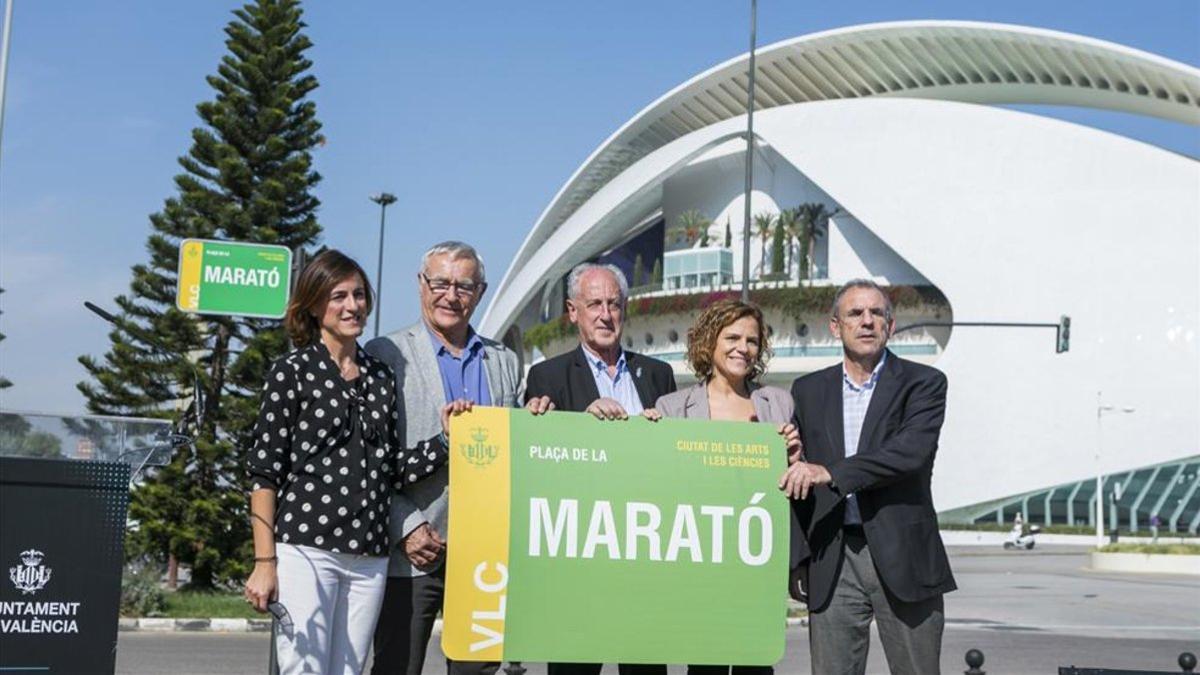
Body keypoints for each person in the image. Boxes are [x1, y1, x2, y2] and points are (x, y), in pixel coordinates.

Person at [244, 249, 470, 675]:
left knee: (348, 670)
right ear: (313, 304)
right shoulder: (291, 372)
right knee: (303, 669)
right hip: (307, 550)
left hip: (369, 556)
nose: (353, 306)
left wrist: (445, 440)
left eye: (360, 295)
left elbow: (388, 470)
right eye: (339, 296)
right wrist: (264, 563)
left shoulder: (380, 376)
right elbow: (263, 473)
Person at [779, 279, 955, 675]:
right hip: (833, 556)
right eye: (855, 313)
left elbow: (909, 454)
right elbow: (798, 479)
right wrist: (798, 558)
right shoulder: (807, 390)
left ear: (891, 327)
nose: (867, 321)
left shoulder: (923, 384)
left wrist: (832, 472)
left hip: (904, 555)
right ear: (835, 326)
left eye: (877, 313)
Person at [365, 241, 523, 675]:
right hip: (413, 549)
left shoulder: (504, 361)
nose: (451, 296)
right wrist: (406, 526)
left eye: (464, 286)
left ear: (482, 292)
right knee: (398, 666)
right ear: (421, 285)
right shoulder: (386, 355)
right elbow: (371, 460)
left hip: (484, 555)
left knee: (477, 671)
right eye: (440, 283)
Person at [523, 262, 675, 675]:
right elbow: (538, 462)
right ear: (573, 312)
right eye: (594, 304)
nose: (605, 314)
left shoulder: (658, 375)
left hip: (643, 554)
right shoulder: (546, 377)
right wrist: (577, 422)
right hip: (580, 558)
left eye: (614, 304)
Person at [643, 299, 804, 675]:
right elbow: (658, 483)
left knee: (755, 667)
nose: (743, 348)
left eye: (751, 340)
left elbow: (794, 487)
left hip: (757, 562)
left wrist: (795, 457)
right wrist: (647, 436)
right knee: (705, 668)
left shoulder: (778, 403)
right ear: (708, 342)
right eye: (732, 337)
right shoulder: (672, 407)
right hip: (701, 564)